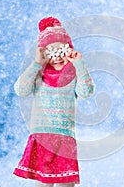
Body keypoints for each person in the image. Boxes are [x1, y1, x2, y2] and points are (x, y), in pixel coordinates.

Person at [13, 17, 95, 187]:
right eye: (51, 53)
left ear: (69, 50)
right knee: (43, 184)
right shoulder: (38, 75)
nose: (57, 58)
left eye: (61, 51)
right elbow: (21, 89)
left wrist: (79, 65)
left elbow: (86, 92)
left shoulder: (73, 76)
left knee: (66, 184)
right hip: (42, 138)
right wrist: (37, 63)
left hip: (64, 138)